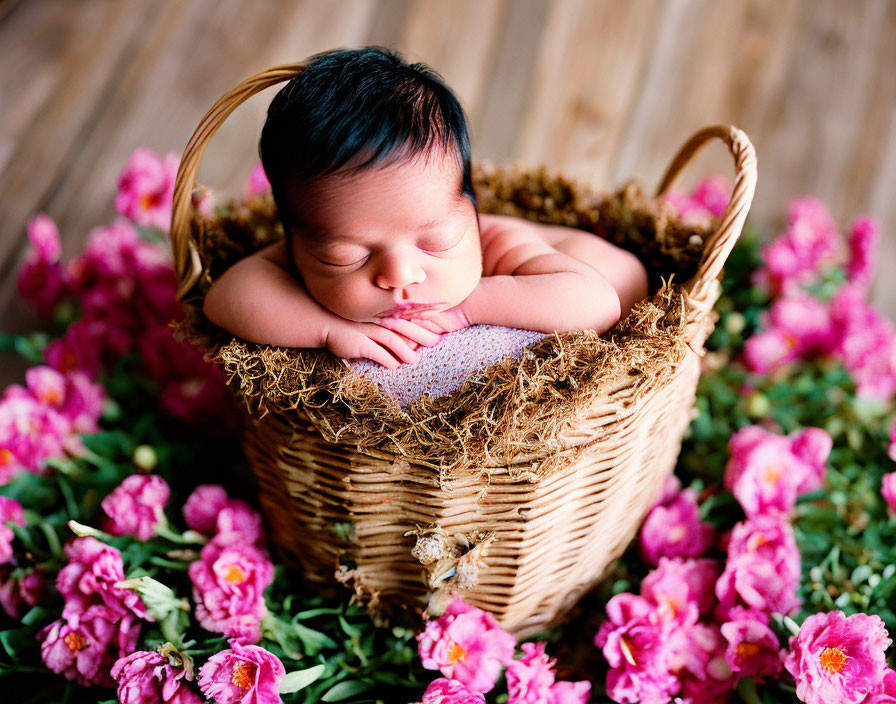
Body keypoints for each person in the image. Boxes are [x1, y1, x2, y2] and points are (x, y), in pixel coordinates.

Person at [203, 47, 648, 370]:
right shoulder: (311, 243)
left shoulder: (500, 246)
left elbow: (599, 304)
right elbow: (226, 298)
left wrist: (467, 308)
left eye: (436, 242)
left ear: (472, 215)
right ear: (296, 243)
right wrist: (327, 329)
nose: (400, 275)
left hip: (621, 281)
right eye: (347, 256)